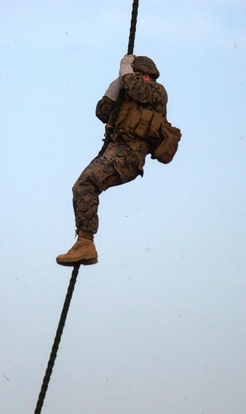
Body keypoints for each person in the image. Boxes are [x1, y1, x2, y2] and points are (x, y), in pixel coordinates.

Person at [56, 54, 168, 266]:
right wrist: (116, 86)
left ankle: (86, 242)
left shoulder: (156, 91)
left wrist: (127, 74)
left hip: (129, 156)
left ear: (148, 76)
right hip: (114, 153)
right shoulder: (129, 93)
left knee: (87, 183)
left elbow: (138, 91)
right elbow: (102, 112)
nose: (137, 78)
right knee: (81, 187)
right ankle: (84, 242)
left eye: (139, 75)